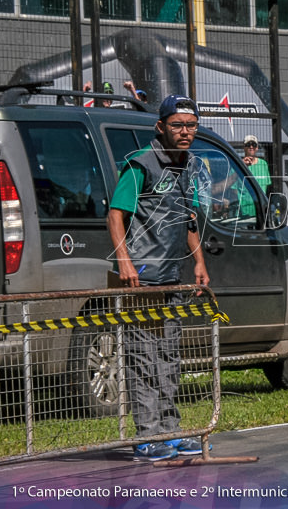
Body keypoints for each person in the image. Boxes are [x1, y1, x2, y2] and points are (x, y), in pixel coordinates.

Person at [106, 94, 211, 462]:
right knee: (143, 358)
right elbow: (116, 214)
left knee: (168, 358)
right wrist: (125, 261)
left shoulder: (189, 166)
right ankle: (147, 437)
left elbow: (188, 221)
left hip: (172, 277)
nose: (185, 132)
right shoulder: (141, 164)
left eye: (191, 125)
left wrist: (198, 262)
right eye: (177, 125)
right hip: (142, 278)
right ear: (160, 127)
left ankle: (172, 430)